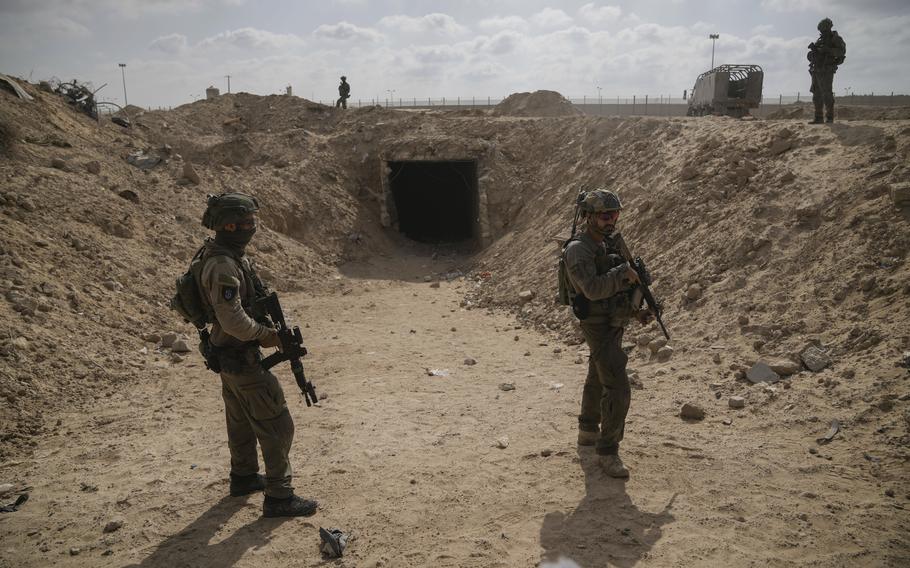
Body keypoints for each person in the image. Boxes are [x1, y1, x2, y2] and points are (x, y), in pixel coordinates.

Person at [197, 193, 317, 517]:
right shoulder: (222, 265)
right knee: (278, 425)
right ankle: (280, 496)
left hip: (228, 359)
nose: (252, 227)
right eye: (247, 222)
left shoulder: (224, 255)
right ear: (230, 225)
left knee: (240, 422)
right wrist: (269, 336)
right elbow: (232, 319)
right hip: (241, 358)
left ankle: (245, 477)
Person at [563, 189, 653, 478]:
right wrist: (621, 274)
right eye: (605, 215)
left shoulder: (609, 244)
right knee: (618, 386)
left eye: (614, 215)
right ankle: (608, 451)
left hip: (615, 319)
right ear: (588, 217)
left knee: (597, 374)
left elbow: (625, 283)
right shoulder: (579, 249)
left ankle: (588, 430)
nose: (611, 220)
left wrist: (638, 308)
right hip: (596, 322)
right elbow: (591, 289)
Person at [807, 17, 846, 124]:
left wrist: (828, 50)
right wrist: (811, 55)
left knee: (827, 94)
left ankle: (829, 117)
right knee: (816, 95)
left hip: (827, 69)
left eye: (823, 29)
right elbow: (813, 55)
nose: (822, 32)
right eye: (821, 30)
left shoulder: (835, 39)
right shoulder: (820, 40)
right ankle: (818, 117)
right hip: (816, 69)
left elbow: (841, 52)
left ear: (828, 27)